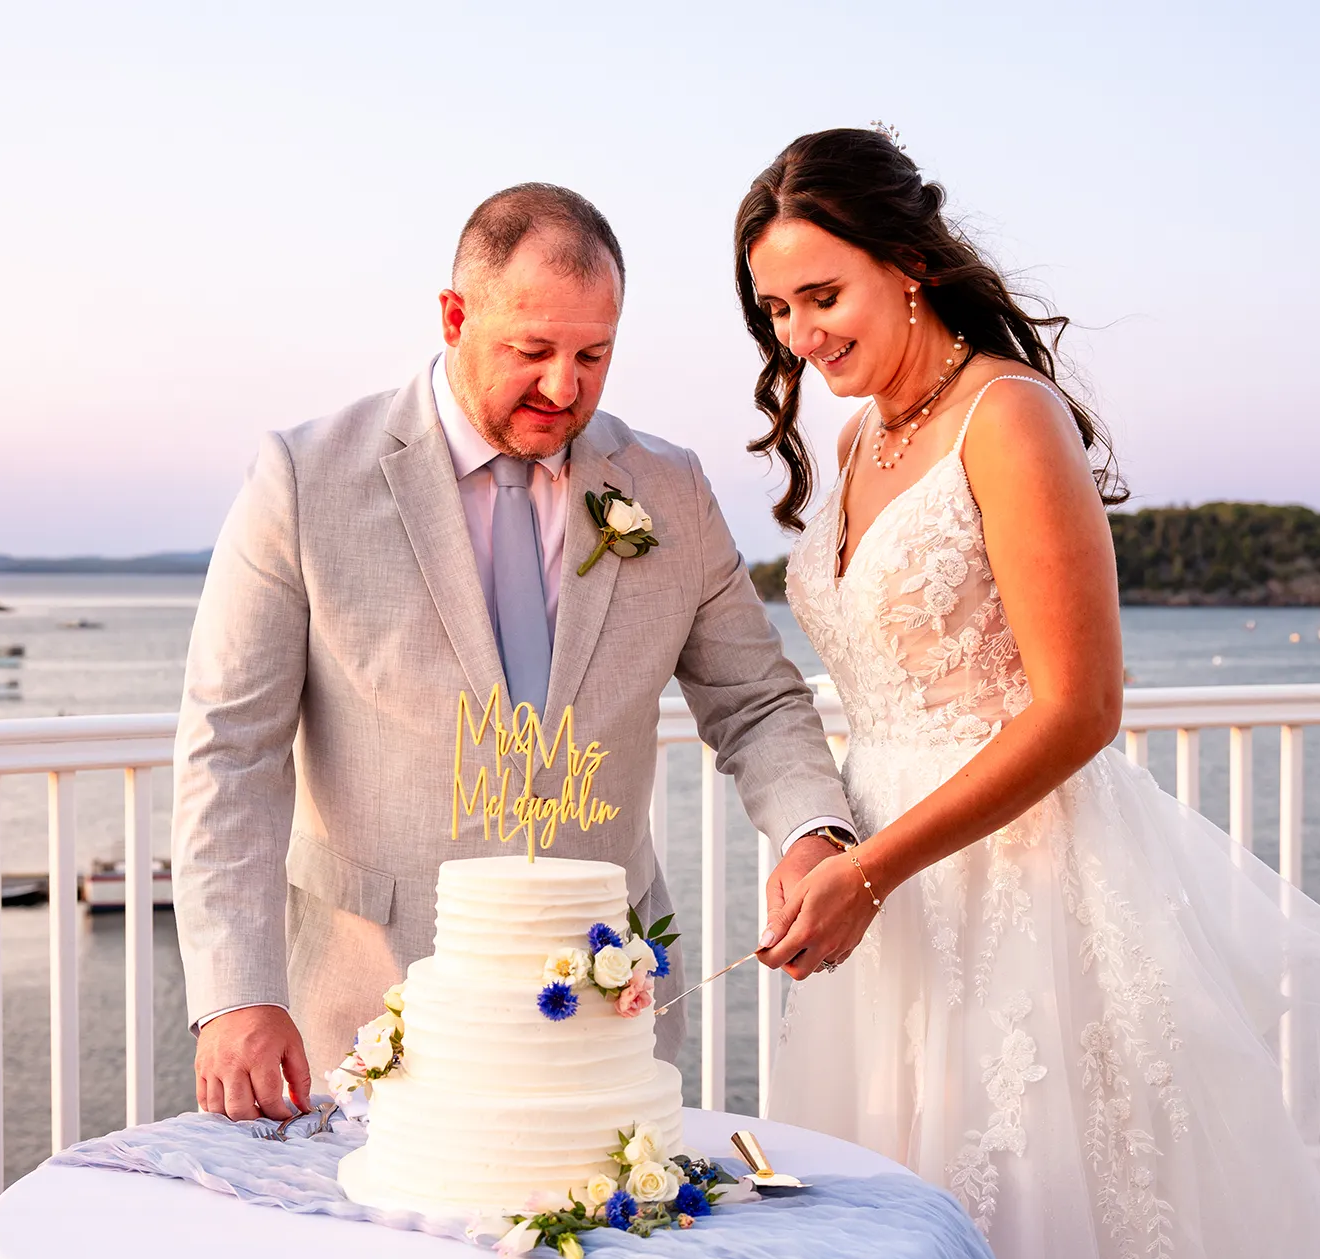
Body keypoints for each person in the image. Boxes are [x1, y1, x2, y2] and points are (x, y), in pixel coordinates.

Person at [745, 128, 1320, 1259]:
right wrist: (831, 840)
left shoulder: (1008, 415)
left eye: (822, 294)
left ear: (908, 263)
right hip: (879, 883)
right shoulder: (857, 435)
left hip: (1014, 883)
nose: (801, 335)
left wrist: (874, 869)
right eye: (776, 309)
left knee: (1031, 1204)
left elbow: (1082, 705)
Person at [174, 182, 856, 1123]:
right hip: (368, 1014)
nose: (564, 388)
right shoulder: (305, 477)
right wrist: (234, 994)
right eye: (531, 351)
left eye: (594, 354)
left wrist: (816, 829)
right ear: (455, 317)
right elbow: (230, 749)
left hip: (604, 1018)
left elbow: (756, 700)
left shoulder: (670, 486)